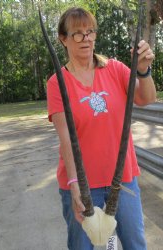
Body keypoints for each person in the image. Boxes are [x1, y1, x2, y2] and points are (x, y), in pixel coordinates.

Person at [47, 7, 156, 250]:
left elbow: (146, 98)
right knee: (81, 246)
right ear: (63, 39)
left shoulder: (115, 69)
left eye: (90, 32)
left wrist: (143, 70)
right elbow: (66, 138)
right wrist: (75, 184)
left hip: (123, 180)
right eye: (77, 33)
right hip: (82, 186)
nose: (86, 39)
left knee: (135, 244)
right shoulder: (57, 83)